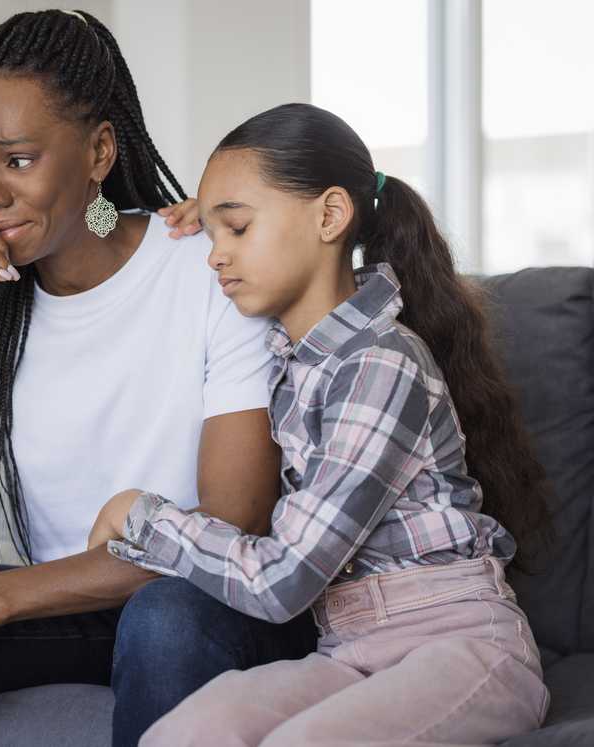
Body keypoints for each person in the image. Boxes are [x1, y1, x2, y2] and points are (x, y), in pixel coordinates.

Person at [0, 11, 314, 747]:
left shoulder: (207, 268)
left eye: (16, 160)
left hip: (208, 599)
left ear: (99, 150)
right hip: (68, 608)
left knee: (164, 616)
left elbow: (233, 524)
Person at [90, 102, 553, 746]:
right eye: (213, 234)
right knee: (179, 737)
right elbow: (257, 214)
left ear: (331, 215)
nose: (214, 257)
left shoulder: (379, 366)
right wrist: (219, 210)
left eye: (238, 230)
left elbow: (281, 581)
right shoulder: (293, 361)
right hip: (350, 650)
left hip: (460, 645)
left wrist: (141, 513)